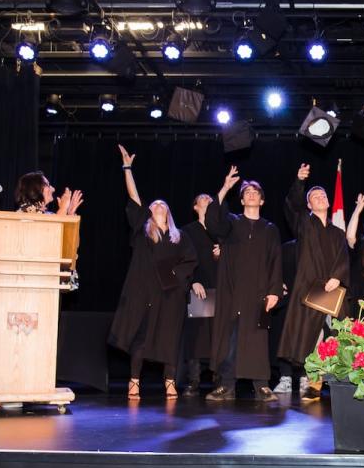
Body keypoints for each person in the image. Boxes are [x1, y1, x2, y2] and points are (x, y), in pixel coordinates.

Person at [108, 145, 198, 400]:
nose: (158, 206)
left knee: (169, 338)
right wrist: (127, 168)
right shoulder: (142, 233)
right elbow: (134, 197)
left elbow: (191, 261)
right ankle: (134, 381)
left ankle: (169, 381)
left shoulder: (180, 237)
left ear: (168, 213)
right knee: (142, 336)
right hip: (145, 292)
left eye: (162, 205)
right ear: (149, 212)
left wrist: (174, 278)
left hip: (171, 295)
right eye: (154, 205)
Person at [203, 166, 283, 402]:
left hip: (259, 293)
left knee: (258, 338)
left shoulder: (270, 229)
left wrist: (274, 291)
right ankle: (226, 386)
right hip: (233, 291)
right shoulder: (231, 224)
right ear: (241, 199)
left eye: (255, 191)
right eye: (246, 191)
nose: (250, 194)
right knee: (231, 337)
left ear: (262, 199)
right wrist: (226, 187)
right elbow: (211, 221)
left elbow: (275, 261)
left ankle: (261, 386)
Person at [275, 163, 350, 401]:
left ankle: (340, 382)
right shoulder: (304, 224)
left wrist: (337, 276)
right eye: (314, 196)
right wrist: (299, 182)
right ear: (308, 205)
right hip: (311, 291)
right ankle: (313, 384)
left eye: (323, 195)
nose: (320, 198)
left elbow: (344, 258)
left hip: (333, 291)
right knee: (313, 338)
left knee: (336, 337)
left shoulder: (338, 233)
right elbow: (292, 205)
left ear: (329, 202)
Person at [179, 193, 220, 397]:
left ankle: (218, 380)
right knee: (197, 336)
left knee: (218, 335)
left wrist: (222, 254)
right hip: (199, 287)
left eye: (209, 198)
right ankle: (193, 380)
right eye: (202, 198)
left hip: (220, 287)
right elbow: (183, 259)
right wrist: (192, 280)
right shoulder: (187, 231)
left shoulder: (220, 230)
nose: (207, 200)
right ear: (195, 207)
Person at [14, 171, 83, 215]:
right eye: (47, 185)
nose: (53, 189)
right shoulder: (23, 214)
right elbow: (51, 232)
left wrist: (70, 215)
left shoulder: (49, 215)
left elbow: (71, 238)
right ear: (34, 189)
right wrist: (63, 209)